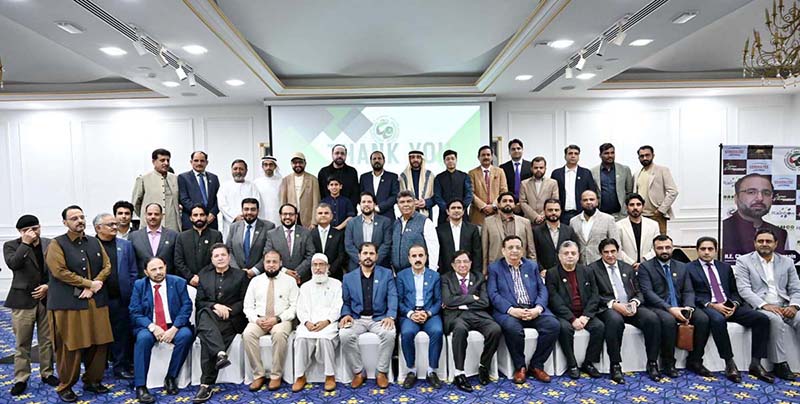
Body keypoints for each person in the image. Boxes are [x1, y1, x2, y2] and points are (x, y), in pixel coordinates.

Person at [46, 205, 113, 402]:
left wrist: (94, 285)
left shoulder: (94, 241)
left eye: (82, 217)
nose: (80, 221)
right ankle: (65, 386)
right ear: (65, 222)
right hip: (69, 304)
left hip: (96, 301)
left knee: (100, 342)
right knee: (71, 345)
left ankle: (92, 380)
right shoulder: (57, 244)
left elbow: (107, 266)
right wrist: (88, 283)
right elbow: (59, 271)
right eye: (74, 218)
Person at [686, 236, 773, 383]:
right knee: (718, 320)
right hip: (708, 306)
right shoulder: (689, 268)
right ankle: (729, 363)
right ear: (697, 250)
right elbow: (690, 292)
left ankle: (756, 363)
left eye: (710, 249)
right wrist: (711, 305)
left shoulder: (725, 267)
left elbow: (734, 291)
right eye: (703, 249)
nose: (706, 252)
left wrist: (734, 304)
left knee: (762, 319)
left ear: (715, 250)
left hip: (729, 306)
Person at [488, 235, 559, 384]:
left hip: (532, 309)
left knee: (553, 325)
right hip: (510, 312)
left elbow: (542, 289)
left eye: (518, 247)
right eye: (510, 248)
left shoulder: (531, 266)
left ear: (522, 250)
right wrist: (511, 310)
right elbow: (493, 294)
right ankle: (520, 367)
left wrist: (538, 309)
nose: (514, 251)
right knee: (512, 328)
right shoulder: (495, 268)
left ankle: (536, 365)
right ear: (503, 250)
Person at [637, 235, 710, 378]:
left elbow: (688, 290)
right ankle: (668, 363)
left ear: (673, 248)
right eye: (660, 248)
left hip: (681, 305)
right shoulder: (646, 267)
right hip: (658, 306)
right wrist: (670, 308)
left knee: (703, 319)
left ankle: (695, 360)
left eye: (667, 247)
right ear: (654, 249)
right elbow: (648, 293)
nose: (664, 251)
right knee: (668, 320)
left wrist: (688, 308)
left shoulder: (682, 266)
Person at [589, 238, 661, 383]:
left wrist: (635, 302)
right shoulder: (592, 269)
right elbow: (593, 295)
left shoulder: (627, 268)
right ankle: (615, 365)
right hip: (608, 307)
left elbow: (639, 291)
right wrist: (614, 304)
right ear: (601, 253)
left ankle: (652, 362)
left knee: (652, 319)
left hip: (630, 305)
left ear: (618, 251)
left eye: (613, 251)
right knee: (615, 321)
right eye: (606, 252)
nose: (610, 255)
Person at [734, 229, 800, 381]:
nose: (764, 244)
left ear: (776, 244)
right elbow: (744, 289)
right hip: (759, 306)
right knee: (775, 320)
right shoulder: (744, 261)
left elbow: (796, 289)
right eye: (760, 241)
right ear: (755, 243)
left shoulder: (787, 262)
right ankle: (780, 364)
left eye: (768, 241)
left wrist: (794, 306)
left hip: (785, 305)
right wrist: (764, 305)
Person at [3, 215, 58, 396]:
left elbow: (57, 269)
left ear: (40, 227)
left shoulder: (50, 243)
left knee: (47, 340)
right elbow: (14, 264)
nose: (33, 232)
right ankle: (21, 378)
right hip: (22, 300)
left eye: (35, 228)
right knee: (22, 342)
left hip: (46, 299)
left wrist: (48, 286)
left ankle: (47, 373)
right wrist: (25, 244)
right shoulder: (11, 245)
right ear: (20, 232)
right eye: (27, 230)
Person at [129, 257, 194, 403]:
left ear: (166, 267)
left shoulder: (178, 282)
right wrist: (153, 327)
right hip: (149, 326)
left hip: (173, 324)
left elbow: (186, 307)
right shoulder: (140, 285)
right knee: (143, 338)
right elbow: (135, 312)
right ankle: (140, 386)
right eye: (153, 269)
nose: (158, 272)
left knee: (185, 335)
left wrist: (175, 328)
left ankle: (171, 377)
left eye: (161, 268)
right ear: (146, 272)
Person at [192, 243, 248, 403]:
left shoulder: (241, 275)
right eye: (216, 256)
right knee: (205, 314)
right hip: (211, 315)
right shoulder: (204, 275)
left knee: (207, 336)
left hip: (231, 319)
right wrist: (215, 306)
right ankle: (220, 355)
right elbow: (200, 301)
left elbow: (245, 300)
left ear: (229, 257)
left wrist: (229, 310)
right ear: (211, 259)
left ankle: (206, 385)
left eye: (223, 255)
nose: (220, 258)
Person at [441, 250, 501, 392]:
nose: (462, 265)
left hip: (478, 315)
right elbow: (448, 300)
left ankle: (484, 365)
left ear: (470, 263)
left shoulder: (479, 277)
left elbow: (485, 302)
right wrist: (471, 298)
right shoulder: (445, 278)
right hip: (457, 316)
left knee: (495, 329)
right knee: (460, 330)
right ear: (453, 265)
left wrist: (460, 303)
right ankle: (459, 373)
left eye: (465, 261)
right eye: (458, 262)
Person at [339, 242, 397, 389]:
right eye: (365, 253)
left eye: (371, 253)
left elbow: (392, 296)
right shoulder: (348, 278)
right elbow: (346, 302)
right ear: (359, 256)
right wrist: (346, 314)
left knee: (389, 334)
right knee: (344, 334)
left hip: (379, 318)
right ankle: (358, 372)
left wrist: (390, 316)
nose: (368, 257)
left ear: (376, 256)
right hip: (357, 318)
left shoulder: (386, 274)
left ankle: (381, 372)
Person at [544, 241, 604, 380]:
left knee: (599, 327)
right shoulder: (552, 273)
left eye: (573, 253)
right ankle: (572, 364)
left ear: (578, 256)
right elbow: (554, 300)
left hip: (584, 313)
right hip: (564, 315)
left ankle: (589, 363)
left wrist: (586, 316)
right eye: (566, 253)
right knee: (564, 329)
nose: (570, 256)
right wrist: (572, 319)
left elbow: (595, 295)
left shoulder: (587, 271)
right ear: (559, 256)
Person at [242, 250, 298, 391]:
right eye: (268, 262)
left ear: (280, 263)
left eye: (274, 262)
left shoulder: (290, 281)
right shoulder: (255, 281)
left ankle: (275, 375)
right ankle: (258, 375)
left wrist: (277, 319)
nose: (271, 265)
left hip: (281, 320)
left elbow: (295, 307)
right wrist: (256, 320)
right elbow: (247, 306)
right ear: (263, 263)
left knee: (278, 334)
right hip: (259, 319)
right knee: (248, 334)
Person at [93, 213, 138, 380]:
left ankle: (120, 367)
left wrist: (130, 291)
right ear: (98, 228)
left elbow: (133, 271)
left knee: (121, 334)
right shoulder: (90, 245)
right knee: (98, 335)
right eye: (110, 224)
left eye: (115, 224)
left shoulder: (125, 245)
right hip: (96, 300)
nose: (115, 227)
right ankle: (97, 368)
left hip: (120, 298)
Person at [292, 254, 343, 393]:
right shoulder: (305, 286)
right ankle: (300, 376)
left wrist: (327, 321)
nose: (318, 268)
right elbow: (300, 308)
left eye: (321, 265)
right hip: (309, 324)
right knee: (301, 338)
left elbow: (338, 306)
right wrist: (306, 322)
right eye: (315, 265)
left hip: (328, 323)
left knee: (325, 339)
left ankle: (329, 375)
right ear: (311, 268)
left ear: (328, 267)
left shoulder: (336, 284)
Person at [396, 245, 444, 389]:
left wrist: (428, 313)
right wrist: (411, 314)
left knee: (437, 331)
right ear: (409, 258)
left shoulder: (434, 276)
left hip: (429, 313)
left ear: (426, 257)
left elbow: (438, 301)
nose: (418, 259)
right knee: (407, 333)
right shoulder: (401, 276)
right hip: (410, 314)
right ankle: (411, 370)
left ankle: (431, 371)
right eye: (414, 256)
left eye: (421, 255)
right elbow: (399, 301)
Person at [722, 173, 790, 256]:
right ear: (736, 198)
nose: (760, 198)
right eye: (751, 192)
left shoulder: (780, 234)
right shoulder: (722, 229)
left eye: (766, 193)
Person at [482, 192, 535, 273]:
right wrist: (485, 272)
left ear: (514, 205)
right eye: (504, 201)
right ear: (498, 204)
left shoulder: (525, 222)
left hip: (520, 268)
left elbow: (531, 250)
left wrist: (533, 270)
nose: (508, 203)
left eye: (510, 201)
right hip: (496, 269)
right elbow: (484, 249)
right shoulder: (488, 222)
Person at [633, 146, 679, 235]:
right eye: (642, 156)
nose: (644, 158)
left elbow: (673, 191)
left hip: (657, 215)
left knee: (660, 241)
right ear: (638, 158)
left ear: (653, 155)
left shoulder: (662, 170)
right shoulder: (636, 174)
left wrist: (661, 210)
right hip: (641, 216)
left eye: (647, 155)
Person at [132, 148, 181, 231]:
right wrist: (149, 216)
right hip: (150, 225)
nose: (166, 163)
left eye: (168, 160)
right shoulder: (143, 179)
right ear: (153, 162)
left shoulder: (175, 178)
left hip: (172, 225)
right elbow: (136, 204)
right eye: (162, 160)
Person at [226, 198, 275, 279]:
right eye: (246, 209)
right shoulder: (234, 227)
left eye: (253, 209)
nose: (249, 212)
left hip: (260, 276)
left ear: (258, 211)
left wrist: (254, 271)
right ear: (242, 210)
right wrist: (238, 271)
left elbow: (269, 252)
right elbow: (228, 250)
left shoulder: (269, 227)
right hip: (236, 276)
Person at [265, 203, 314, 283]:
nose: (287, 217)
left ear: (296, 216)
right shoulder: (272, 234)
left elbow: (310, 255)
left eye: (291, 214)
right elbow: (267, 255)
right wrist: (284, 271)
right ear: (280, 216)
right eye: (285, 214)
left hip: (301, 279)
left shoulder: (306, 233)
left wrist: (297, 272)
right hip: (279, 278)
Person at [174, 204, 223, 285]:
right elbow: (178, 260)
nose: (199, 218)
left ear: (207, 216)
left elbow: (218, 257)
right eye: (195, 215)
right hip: (187, 281)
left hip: (210, 281)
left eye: (202, 215)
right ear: (190, 218)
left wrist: (202, 277)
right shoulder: (182, 237)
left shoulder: (216, 235)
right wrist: (190, 277)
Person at [392, 190, 440, 272]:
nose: (406, 204)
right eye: (402, 202)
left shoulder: (425, 221)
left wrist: (432, 270)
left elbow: (433, 248)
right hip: (398, 274)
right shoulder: (396, 223)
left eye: (409, 201)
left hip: (419, 272)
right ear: (398, 205)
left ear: (414, 203)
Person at [344, 192, 393, 270]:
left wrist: (374, 259)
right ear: (359, 205)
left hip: (380, 265)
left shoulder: (385, 222)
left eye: (369, 202)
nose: (366, 204)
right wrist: (361, 260)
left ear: (374, 204)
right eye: (363, 202)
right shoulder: (351, 223)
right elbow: (349, 245)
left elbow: (387, 244)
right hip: (356, 266)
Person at [569, 190, 619, 265]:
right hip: (581, 265)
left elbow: (616, 243)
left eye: (591, 199)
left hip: (602, 264)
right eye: (585, 200)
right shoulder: (573, 221)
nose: (588, 202)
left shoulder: (608, 219)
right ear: (581, 203)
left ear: (597, 202)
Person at [550, 145, 597, 224]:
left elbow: (592, 192)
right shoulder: (556, 173)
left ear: (578, 156)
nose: (573, 156)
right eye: (570, 153)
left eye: (576, 153)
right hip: (562, 214)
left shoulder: (586, 173)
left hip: (581, 214)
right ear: (565, 156)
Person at [129, 203, 179, 277]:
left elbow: (177, 261)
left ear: (162, 216)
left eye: (156, 214)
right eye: (150, 214)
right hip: (142, 280)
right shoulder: (134, 236)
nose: (153, 217)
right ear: (145, 215)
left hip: (167, 279)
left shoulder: (173, 235)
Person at [532, 199, 579, 274]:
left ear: (561, 211)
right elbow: (533, 253)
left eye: (556, 210)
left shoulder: (569, 230)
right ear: (544, 211)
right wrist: (541, 269)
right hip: (545, 273)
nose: (553, 212)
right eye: (550, 210)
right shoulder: (536, 231)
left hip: (566, 272)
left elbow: (575, 251)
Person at [437, 199, 482, 275]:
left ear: (463, 211)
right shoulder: (439, 230)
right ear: (447, 211)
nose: (456, 210)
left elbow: (477, 253)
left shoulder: (472, 229)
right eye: (453, 208)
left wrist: (476, 273)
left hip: (468, 272)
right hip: (446, 272)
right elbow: (439, 254)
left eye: (459, 208)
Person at [178, 151, 220, 231]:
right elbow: (183, 199)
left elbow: (218, 199)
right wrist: (199, 214)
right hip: (191, 221)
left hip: (211, 222)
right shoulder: (183, 178)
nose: (199, 163)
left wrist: (213, 213)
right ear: (191, 162)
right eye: (196, 160)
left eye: (202, 161)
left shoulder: (214, 178)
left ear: (206, 162)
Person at [217, 159, 259, 240]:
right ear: (231, 170)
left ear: (246, 171)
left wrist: (246, 215)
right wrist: (235, 217)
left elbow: (256, 202)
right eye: (235, 169)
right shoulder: (224, 186)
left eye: (241, 169)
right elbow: (222, 205)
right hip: (230, 222)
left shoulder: (252, 186)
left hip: (249, 220)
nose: (238, 171)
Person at [590, 143, 633, 219]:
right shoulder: (593, 171)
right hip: (601, 215)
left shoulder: (624, 170)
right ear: (600, 155)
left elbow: (629, 192)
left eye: (612, 153)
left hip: (621, 214)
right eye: (606, 153)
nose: (610, 155)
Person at [616, 193, 659, 268]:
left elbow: (657, 246)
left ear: (643, 207)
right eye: (631, 205)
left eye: (638, 204)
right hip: (626, 266)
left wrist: (644, 261)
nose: (635, 207)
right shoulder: (618, 226)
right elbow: (618, 249)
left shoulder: (653, 225)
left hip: (648, 265)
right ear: (626, 207)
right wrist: (632, 263)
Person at [468, 146, 508, 226]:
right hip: (477, 215)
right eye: (483, 155)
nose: (486, 157)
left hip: (496, 213)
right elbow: (470, 193)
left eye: (488, 155)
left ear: (492, 157)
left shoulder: (500, 171)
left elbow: (504, 191)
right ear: (478, 157)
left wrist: (493, 206)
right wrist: (483, 206)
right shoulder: (472, 173)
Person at [279, 152, 320, 227]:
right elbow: (283, 202)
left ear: (305, 163)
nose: (297, 165)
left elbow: (316, 202)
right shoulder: (286, 180)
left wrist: (314, 222)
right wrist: (283, 219)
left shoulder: (313, 179)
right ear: (291, 164)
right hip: (290, 217)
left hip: (308, 220)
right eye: (295, 163)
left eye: (300, 162)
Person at [433, 149, 474, 224]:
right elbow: (437, 197)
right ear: (444, 161)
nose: (450, 161)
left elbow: (469, 195)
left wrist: (461, 209)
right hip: (444, 216)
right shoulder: (439, 178)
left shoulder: (464, 176)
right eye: (448, 159)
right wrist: (448, 211)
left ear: (456, 160)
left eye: (452, 158)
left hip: (462, 215)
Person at [308, 203, 347, 280]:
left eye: (326, 213)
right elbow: (308, 254)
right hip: (314, 275)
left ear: (331, 216)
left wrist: (330, 270)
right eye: (320, 213)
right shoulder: (309, 234)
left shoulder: (339, 234)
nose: (323, 215)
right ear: (315, 216)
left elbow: (341, 255)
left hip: (335, 275)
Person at [359, 150, 399, 221]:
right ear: (370, 161)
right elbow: (360, 195)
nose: (377, 160)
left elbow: (395, 196)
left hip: (387, 216)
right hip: (368, 217)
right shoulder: (364, 177)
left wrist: (379, 207)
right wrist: (369, 206)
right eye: (374, 159)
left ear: (384, 160)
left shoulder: (392, 177)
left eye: (379, 158)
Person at [519, 156, 559, 225]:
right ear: (531, 169)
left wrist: (542, 216)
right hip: (529, 221)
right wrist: (535, 216)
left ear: (545, 169)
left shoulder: (553, 183)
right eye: (536, 168)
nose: (538, 170)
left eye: (541, 168)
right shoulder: (524, 183)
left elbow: (554, 201)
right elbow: (522, 202)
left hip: (547, 220)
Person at [399, 150, 435, 218]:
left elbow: (436, 196)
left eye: (418, 157)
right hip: (408, 213)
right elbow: (400, 196)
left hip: (426, 214)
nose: (415, 160)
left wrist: (426, 202)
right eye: (413, 157)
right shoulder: (403, 176)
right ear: (409, 159)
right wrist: (410, 202)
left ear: (422, 159)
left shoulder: (429, 175)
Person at [500, 139, 532, 204]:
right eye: (513, 149)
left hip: (528, 201)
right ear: (509, 152)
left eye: (518, 148)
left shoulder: (530, 166)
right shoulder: (503, 167)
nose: (516, 151)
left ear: (522, 150)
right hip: (509, 202)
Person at [254, 155, 283, 226]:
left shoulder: (281, 181)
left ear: (275, 166)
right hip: (262, 215)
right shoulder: (256, 183)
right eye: (266, 165)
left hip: (277, 216)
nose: (268, 167)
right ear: (262, 166)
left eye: (271, 165)